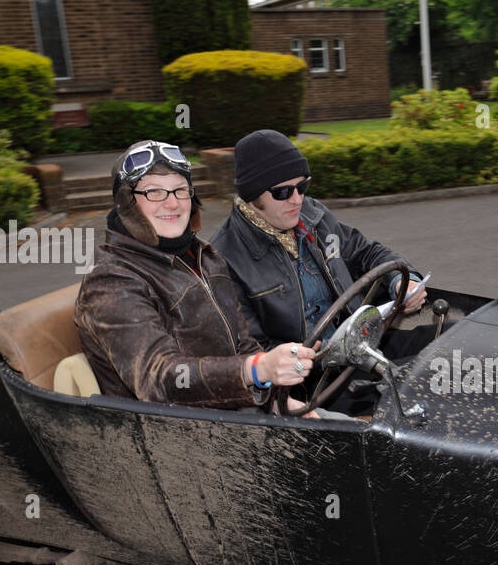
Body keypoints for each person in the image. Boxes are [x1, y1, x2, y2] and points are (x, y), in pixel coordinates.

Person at [74, 140, 317, 413]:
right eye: (154, 192)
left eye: (180, 190)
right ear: (127, 203)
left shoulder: (205, 257)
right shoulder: (111, 281)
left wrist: (277, 401)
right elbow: (160, 378)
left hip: (236, 416)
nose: (172, 203)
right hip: (173, 436)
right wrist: (256, 370)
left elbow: (243, 345)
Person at [210, 130, 433, 387]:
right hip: (313, 380)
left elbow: (366, 251)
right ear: (253, 195)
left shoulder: (313, 215)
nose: (297, 199)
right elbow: (252, 351)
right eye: (283, 192)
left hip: (363, 345)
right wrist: (309, 356)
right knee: (414, 386)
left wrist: (401, 281)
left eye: (303, 185)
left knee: (454, 344)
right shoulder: (224, 259)